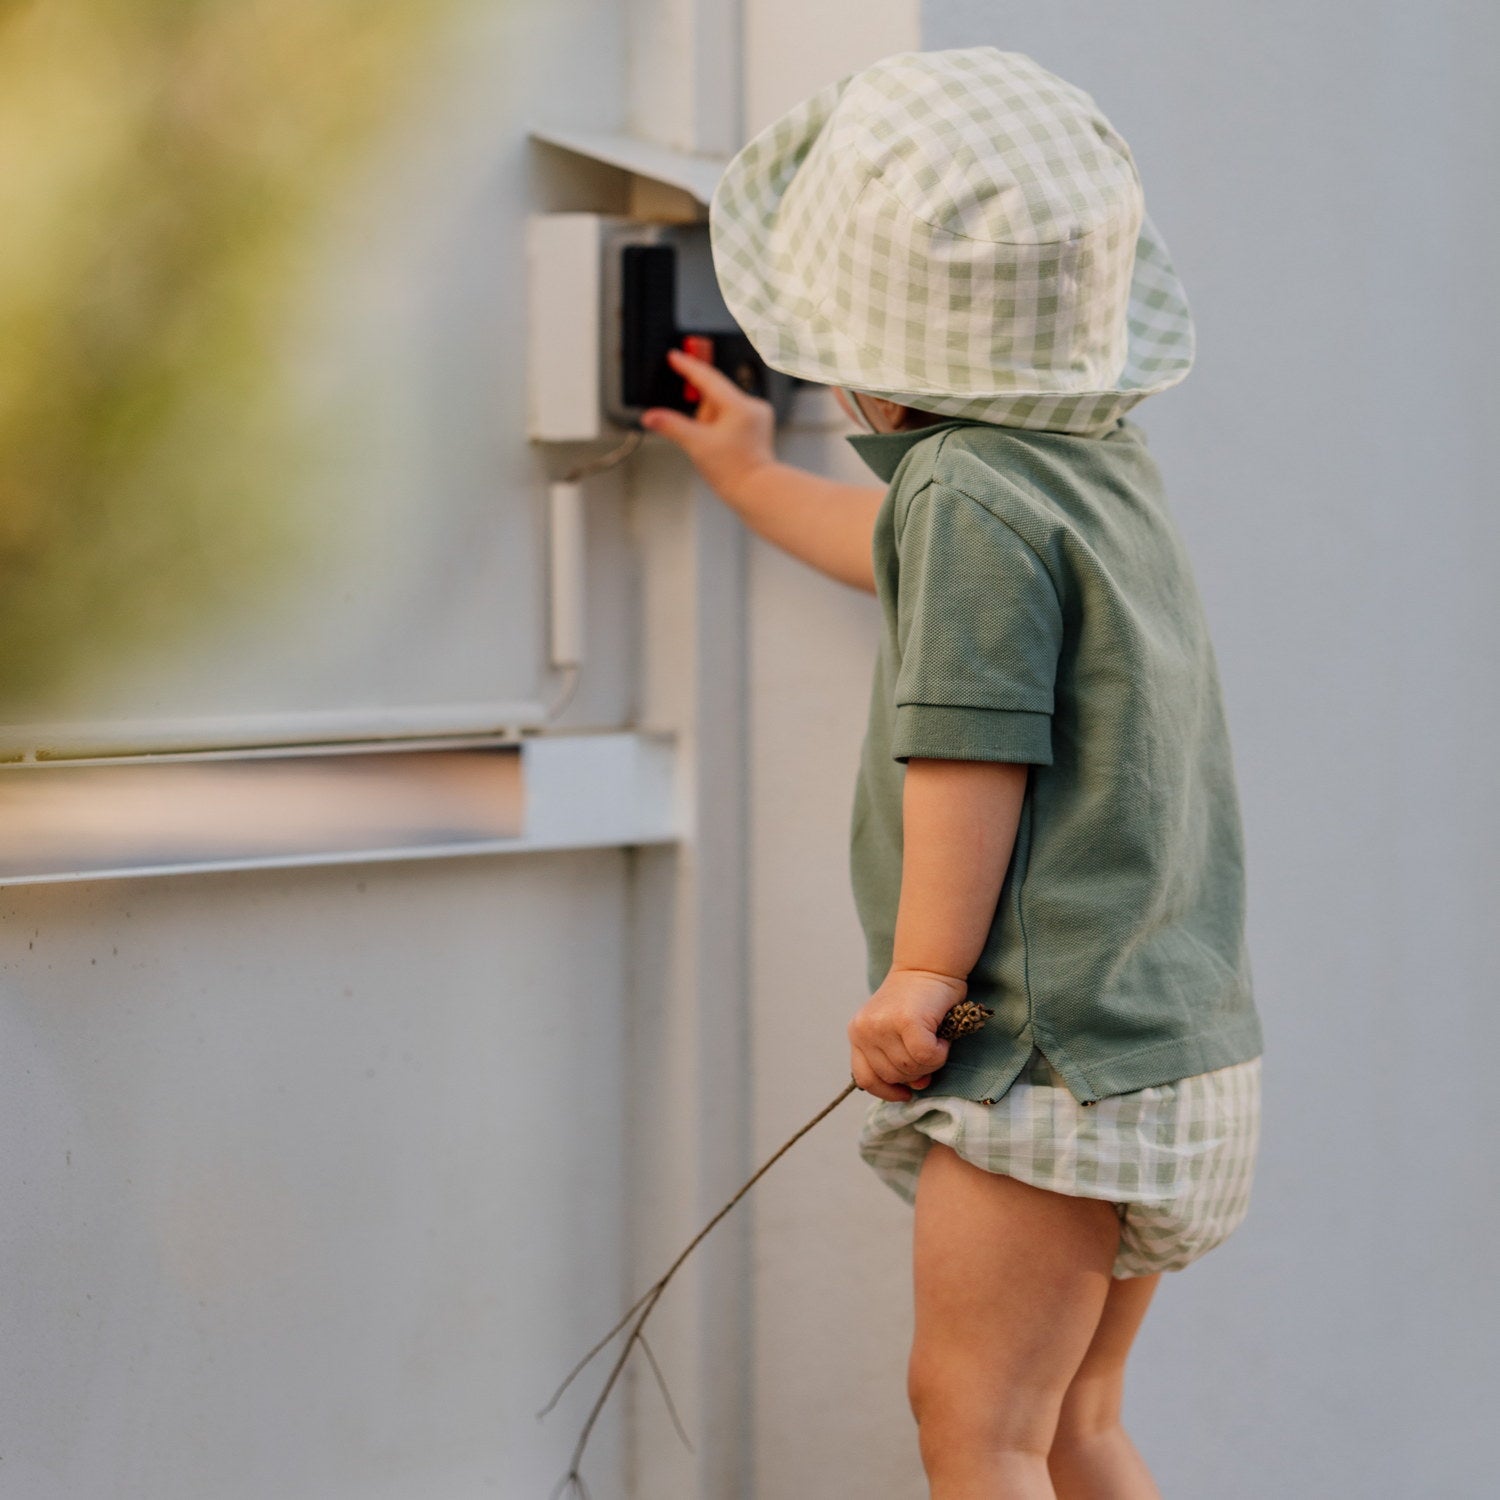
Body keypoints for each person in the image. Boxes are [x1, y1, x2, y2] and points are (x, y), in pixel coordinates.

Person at [640, 46, 1264, 1500]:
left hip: (1047, 1058)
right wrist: (750, 477)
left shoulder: (961, 493)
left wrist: (922, 974)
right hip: (1166, 1045)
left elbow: (971, 742)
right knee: (1075, 1425)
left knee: (975, 1426)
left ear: (851, 332)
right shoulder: (1087, 465)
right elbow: (903, 567)